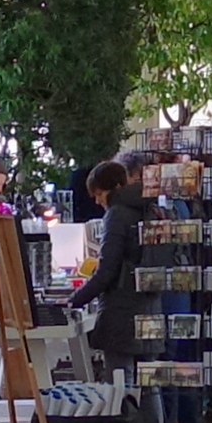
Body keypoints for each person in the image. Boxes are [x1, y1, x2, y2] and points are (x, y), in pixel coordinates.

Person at [66, 157, 142, 375]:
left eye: (99, 194)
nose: (98, 201)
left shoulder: (117, 215)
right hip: (147, 307)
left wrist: (75, 300)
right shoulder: (146, 208)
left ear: (114, 188)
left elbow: (107, 270)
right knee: (148, 383)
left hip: (121, 311)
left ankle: (124, 412)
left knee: (119, 381)